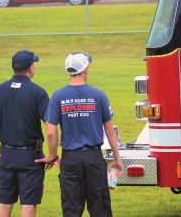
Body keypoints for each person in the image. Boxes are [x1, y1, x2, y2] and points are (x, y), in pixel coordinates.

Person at [36, 52, 123, 217]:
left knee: (71, 210)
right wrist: (117, 159)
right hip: (94, 158)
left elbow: (50, 131)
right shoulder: (99, 95)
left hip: (70, 159)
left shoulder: (58, 96)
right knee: (100, 208)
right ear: (86, 70)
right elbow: (110, 131)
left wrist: (53, 156)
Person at [0, 50, 49, 217]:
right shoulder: (38, 92)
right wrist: (52, 155)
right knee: (28, 204)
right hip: (31, 157)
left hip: (5, 155)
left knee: (4, 204)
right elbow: (50, 127)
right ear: (31, 68)